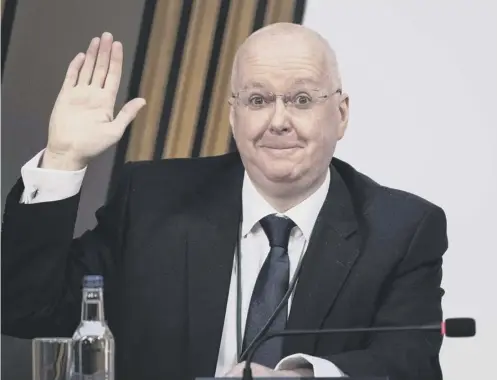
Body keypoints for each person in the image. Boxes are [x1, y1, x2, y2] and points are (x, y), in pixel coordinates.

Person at [1, 23, 448, 380]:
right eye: (257, 99)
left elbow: (411, 364)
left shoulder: (402, 229)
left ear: (342, 114)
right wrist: (63, 158)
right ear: (233, 116)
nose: (278, 121)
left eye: (301, 99)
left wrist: (304, 378)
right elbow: (25, 310)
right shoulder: (153, 201)